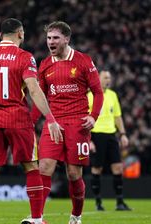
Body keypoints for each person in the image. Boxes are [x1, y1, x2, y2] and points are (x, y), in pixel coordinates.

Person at [0, 18, 63, 224]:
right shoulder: (25, 57)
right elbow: (33, 89)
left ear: (0, 36)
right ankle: (36, 219)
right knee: (31, 166)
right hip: (17, 118)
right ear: (20, 33)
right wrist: (50, 118)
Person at [31, 21, 104, 224]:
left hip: (77, 124)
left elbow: (98, 93)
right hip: (53, 122)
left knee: (73, 174)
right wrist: (31, 122)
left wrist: (93, 116)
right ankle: (37, 218)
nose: (51, 42)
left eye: (55, 38)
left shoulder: (83, 61)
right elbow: (40, 98)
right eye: (48, 38)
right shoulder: (45, 64)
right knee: (44, 167)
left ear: (66, 39)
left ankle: (76, 216)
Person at [88, 70, 131, 211]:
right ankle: (98, 203)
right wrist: (88, 139)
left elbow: (117, 116)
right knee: (97, 169)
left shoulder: (113, 95)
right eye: (105, 77)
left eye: (110, 78)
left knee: (118, 167)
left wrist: (123, 134)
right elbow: (84, 118)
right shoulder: (90, 95)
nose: (108, 80)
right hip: (96, 134)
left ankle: (120, 202)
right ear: (98, 78)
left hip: (111, 135)